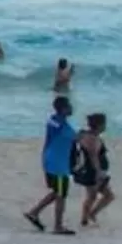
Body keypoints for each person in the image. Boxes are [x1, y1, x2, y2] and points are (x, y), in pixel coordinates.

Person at [25, 96, 77, 234]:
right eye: (69, 106)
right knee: (61, 195)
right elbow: (75, 138)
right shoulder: (61, 125)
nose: (72, 108)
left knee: (57, 192)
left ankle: (34, 212)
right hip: (58, 164)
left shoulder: (54, 120)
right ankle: (58, 226)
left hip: (51, 160)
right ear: (64, 109)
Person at [73, 113, 114, 227]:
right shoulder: (92, 138)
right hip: (92, 171)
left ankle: (89, 216)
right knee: (95, 196)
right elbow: (93, 156)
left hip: (92, 170)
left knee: (103, 195)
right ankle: (86, 217)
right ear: (100, 125)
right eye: (104, 124)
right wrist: (99, 172)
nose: (105, 126)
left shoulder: (87, 135)